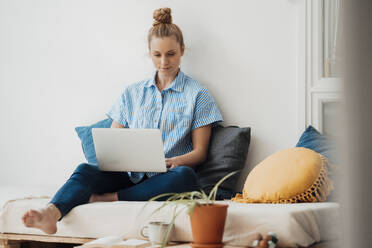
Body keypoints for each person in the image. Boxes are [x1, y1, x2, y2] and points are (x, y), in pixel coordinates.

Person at [21, 7, 222, 235]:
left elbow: (200, 153)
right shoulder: (132, 93)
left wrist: (173, 160)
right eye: (157, 55)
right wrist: (117, 158)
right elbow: (113, 144)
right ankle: (51, 213)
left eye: (171, 54)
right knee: (85, 169)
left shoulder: (198, 94)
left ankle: (108, 198)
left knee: (186, 177)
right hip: (128, 175)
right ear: (149, 53)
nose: (164, 62)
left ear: (182, 50)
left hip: (168, 177)